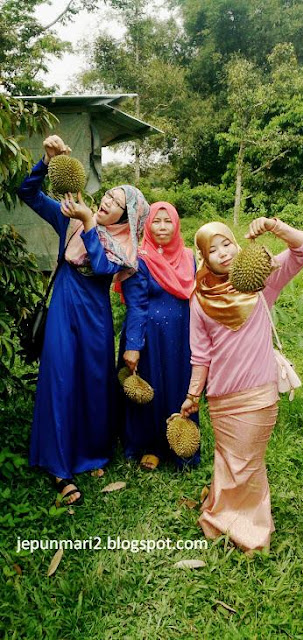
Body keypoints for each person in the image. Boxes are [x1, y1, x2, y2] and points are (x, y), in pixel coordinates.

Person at [18, 135, 150, 504]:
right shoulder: (72, 221)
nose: (106, 201)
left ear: (127, 216)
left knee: (93, 381)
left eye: (117, 203)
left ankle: (90, 452)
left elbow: (104, 264)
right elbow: (27, 194)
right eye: (107, 195)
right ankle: (59, 468)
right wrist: (44, 161)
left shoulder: (123, 244)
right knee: (60, 378)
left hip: (95, 315)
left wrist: (90, 220)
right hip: (64, 306)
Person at [181, 217, 303, 551]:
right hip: (221, 397)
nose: (223, 253)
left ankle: (252, 531)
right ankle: (221, 513)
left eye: (227, 243)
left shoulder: (260, 282)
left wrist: (274, 227)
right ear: (203, 257)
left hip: (258, 394)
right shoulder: (199, 299)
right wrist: (192, 396)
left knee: (249, 465)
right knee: (227, 459)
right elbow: (201, 355)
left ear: (237, 244)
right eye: (213, 250)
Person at [118, 201, 199, 470]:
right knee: (150, 389)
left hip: (181, 334)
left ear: (176, 224)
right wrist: (133, 345)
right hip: (149, 336)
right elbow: (136, 305)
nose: (162, 227)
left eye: (168, 221)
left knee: (179, 386)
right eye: (156, 221)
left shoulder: (189, 257)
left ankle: (182, 447)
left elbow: (202, 295)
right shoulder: (139, 259)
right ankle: (150, 446)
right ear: (147, 225)